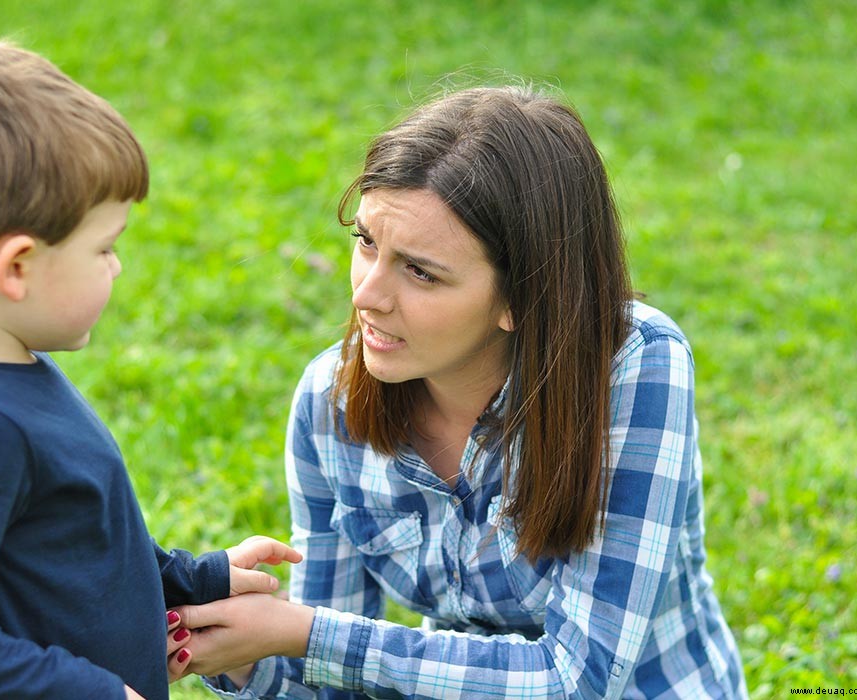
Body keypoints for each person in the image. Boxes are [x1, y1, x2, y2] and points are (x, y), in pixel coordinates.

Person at [168, 86, 748, 698]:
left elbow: (579, 679)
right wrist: (241, 654)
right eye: (366, 242)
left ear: (522, 297)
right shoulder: (330, 401)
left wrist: (307, 635)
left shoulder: (632, 368)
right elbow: (329, 678)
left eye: (420, 271)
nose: (366, 294)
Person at [0, 40, 300, 700]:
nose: (117, 266)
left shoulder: (4, 365)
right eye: (104, 248)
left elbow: (71, 537)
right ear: (16, 268)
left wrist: (192, 578)